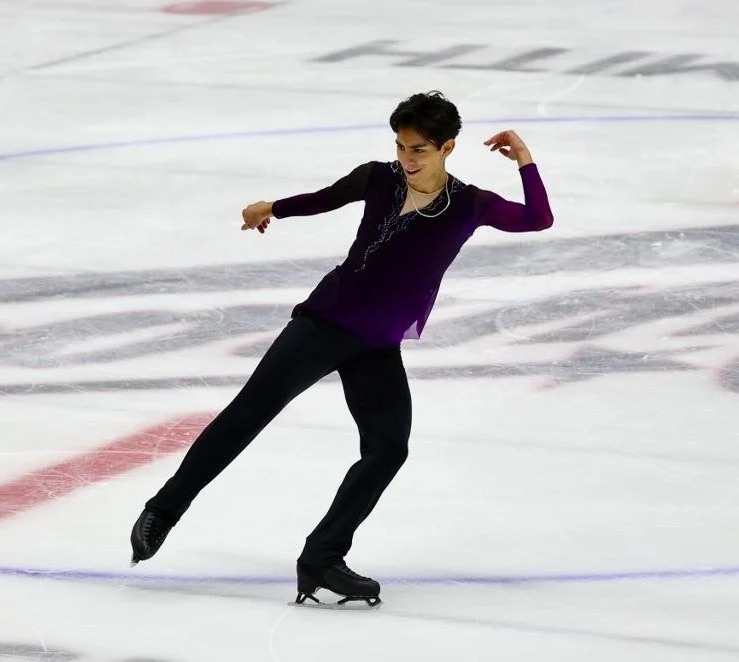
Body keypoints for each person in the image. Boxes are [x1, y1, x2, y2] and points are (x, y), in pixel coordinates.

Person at [130, 91, 554, 607]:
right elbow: (324, 198)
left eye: (419, 149)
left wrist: (525, 160)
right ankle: (164, 510)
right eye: (401, 147)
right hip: (324, 323)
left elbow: (539, 219)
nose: (407, 159)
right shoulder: (377, 177)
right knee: (249, 413)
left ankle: (321, 558)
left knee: (388, 449)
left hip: (377, 343)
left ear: (448, 148)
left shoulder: (469, 204)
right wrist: (271, 208)